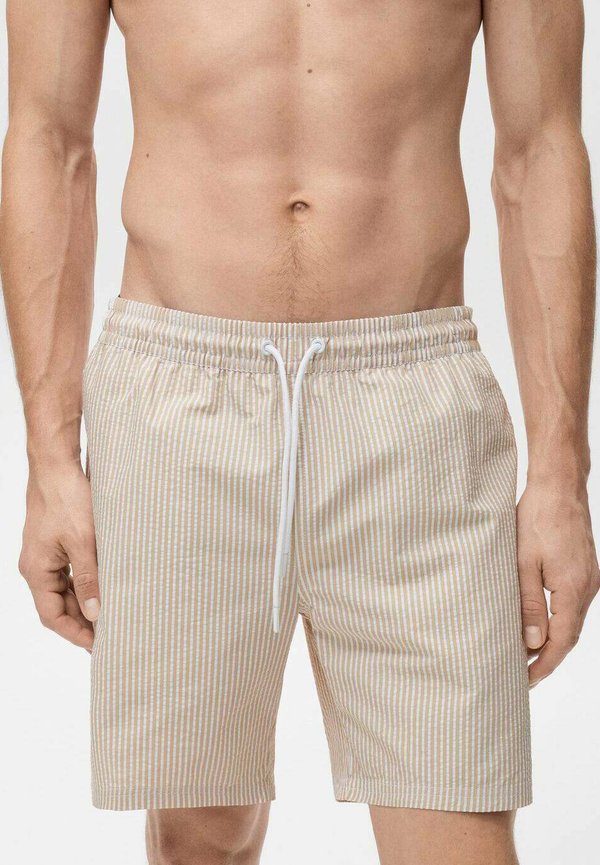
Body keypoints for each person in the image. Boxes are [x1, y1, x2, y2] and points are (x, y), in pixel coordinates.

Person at [1, 1, 598, 863]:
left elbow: (540, 149)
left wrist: (561, 479)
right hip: (178, 397)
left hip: (413, 402)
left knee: (459, 825)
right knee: (200, 834)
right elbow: (48, 140)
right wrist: (50, 460)